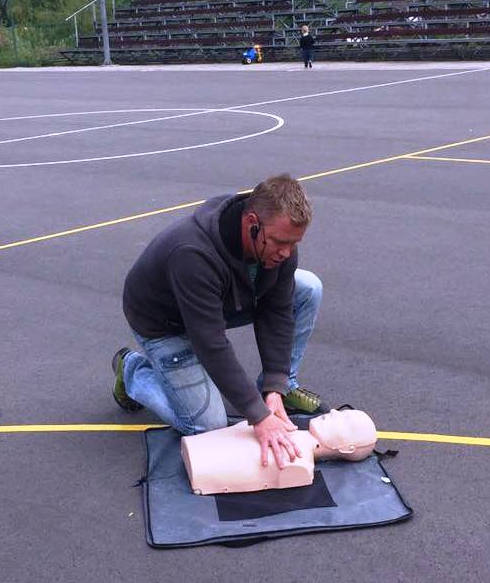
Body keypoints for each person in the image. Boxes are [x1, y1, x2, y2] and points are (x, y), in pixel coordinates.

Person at [113, 174, 328, 464]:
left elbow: (276, 310)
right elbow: (210, 343)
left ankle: (283, 389)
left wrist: (273, 387)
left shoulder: (279, 240)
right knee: (208, 426)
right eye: (280, 242)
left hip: (220, 301)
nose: (287, 252)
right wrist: (258, 416)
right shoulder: (192, 253)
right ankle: (132, 372)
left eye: (294, 243)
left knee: (307, 288)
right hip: (164, 322)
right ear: (252, 223)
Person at [181, 409, 377, 492]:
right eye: (342, 411)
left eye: (345, 420)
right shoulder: (284, 427)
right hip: (196, 449)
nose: (333, 411)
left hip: (200, 468)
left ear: (346, 448)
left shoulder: (299, 466)